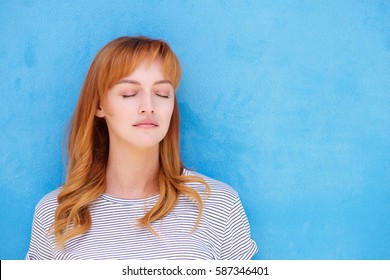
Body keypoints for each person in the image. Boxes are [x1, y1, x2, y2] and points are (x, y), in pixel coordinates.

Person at [25, 36, 258, 260]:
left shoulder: (219, 205)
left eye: (162, 93)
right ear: (99, 105)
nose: (149, 106)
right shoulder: (55, 212)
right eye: (129, 93)